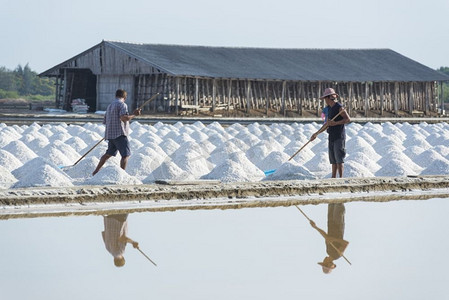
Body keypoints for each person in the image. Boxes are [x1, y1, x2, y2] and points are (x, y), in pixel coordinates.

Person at [92, 89, 141, 176]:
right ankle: (122, 175)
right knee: (125, 155)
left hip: (110, 134)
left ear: (116, 96)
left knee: (108, 154)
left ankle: (95, 172)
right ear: (125, 97)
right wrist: (134, 115)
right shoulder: (122, 104)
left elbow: (105, 121)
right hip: (120, 134)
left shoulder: (110, 106)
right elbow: (123, 118)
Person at [310, 88, 350, 178]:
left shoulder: (339, 107)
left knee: (339, 159)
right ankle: (333, 177)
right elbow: (326, 125)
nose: (325, 101)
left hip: (339, 136)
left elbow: (347, 119)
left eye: (325, 99)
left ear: (328, 98)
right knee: (333, 159)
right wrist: (316, 134)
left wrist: (335, 123)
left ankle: (341, 178)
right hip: (331, 135)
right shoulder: (329, 109)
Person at [310, 204, 349, 274]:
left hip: (331, 223)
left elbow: (326, 237)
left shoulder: (328, 251)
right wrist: (334, 240)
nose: (323, 260)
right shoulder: (337, 255)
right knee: (338, 203)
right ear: (328, 263)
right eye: (324, 263)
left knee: (331, 202)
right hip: (338, 224)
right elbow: (346, 243)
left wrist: (315, 227)